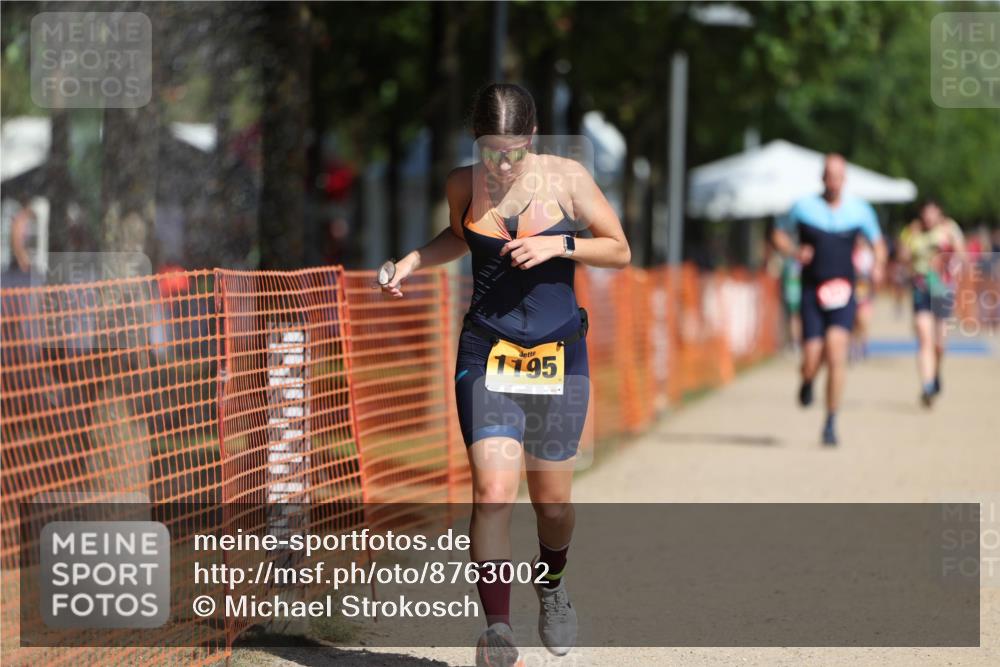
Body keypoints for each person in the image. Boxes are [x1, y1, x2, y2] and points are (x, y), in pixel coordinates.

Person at [380, 83, 630, 667]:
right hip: (486, 352)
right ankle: (497, 630)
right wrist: (412, 261)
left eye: (514, 152)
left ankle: (553, 583)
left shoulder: (568, 178)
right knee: (492, 493)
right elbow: (458, 237)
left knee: (552, 504)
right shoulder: (463, 184)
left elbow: (619, 249)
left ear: (533, 139)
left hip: (558, 358)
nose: (502, 164)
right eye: (491, 151)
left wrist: (560, 246)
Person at [771, 154, 886, 446]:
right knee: (811, 357)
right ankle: (808, 379)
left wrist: (878, 264)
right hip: (812, 291)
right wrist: (794, 251)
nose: (834, 181)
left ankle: (831, 421)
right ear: (822, 178)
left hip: (844, 292)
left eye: (839, 176)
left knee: (836, 354)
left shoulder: (859, 211)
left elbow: (878, 243)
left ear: (844, 179)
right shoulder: (804, 208)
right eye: (829, 175)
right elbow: (778, 235)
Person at [897, 199, 965, 407]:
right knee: (924, 336)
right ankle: (927, 385)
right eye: (925, 213)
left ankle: (936, 373)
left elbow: (963, 256)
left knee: (939, 344)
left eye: (932, 213)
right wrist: (908, 243)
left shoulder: (949, 228)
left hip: (942, 288)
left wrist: (949, 251)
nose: (928, 217)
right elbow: (901, 258)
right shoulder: (911, 231)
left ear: (939, 213)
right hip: (920, 287)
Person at [851, 235, 876, 361]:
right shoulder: (850, 252)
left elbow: (872, 274)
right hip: (852, 290)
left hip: (864, 290)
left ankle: (863, 345)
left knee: (863, 320)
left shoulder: (868, 254)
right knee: (853, 321)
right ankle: (854, 346)